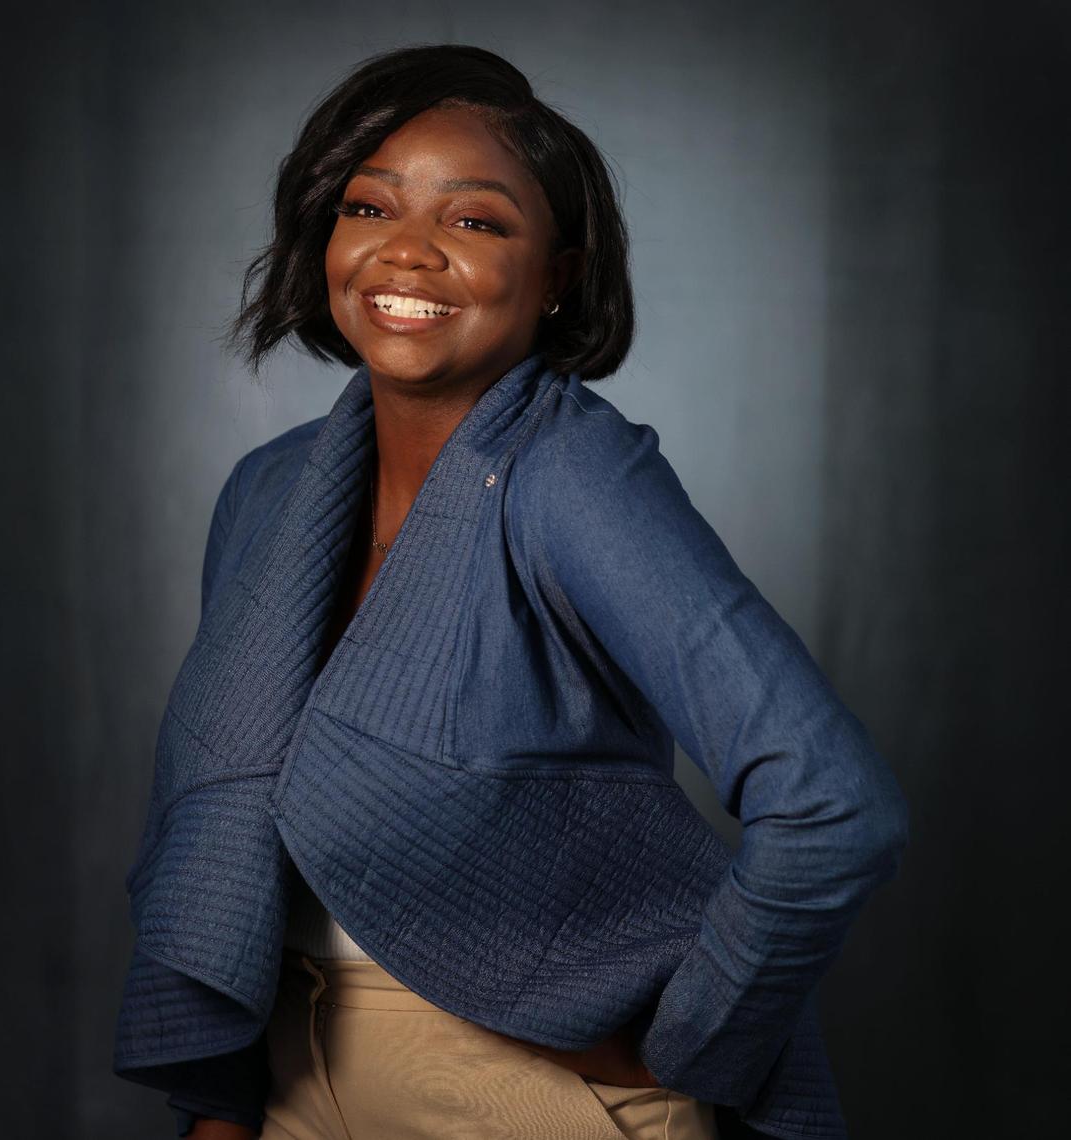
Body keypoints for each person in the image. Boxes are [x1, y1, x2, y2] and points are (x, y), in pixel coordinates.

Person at [113, 43, 909, 1140]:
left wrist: (693, 1039)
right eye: (366, 206)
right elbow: (227, 825)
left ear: (561, 276)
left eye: (476, 222)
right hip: (295, 1076)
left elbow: (835, 801)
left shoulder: (571, 477)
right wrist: (226, 1106)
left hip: (518, 1095)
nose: (407, 252)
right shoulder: (270, 492)